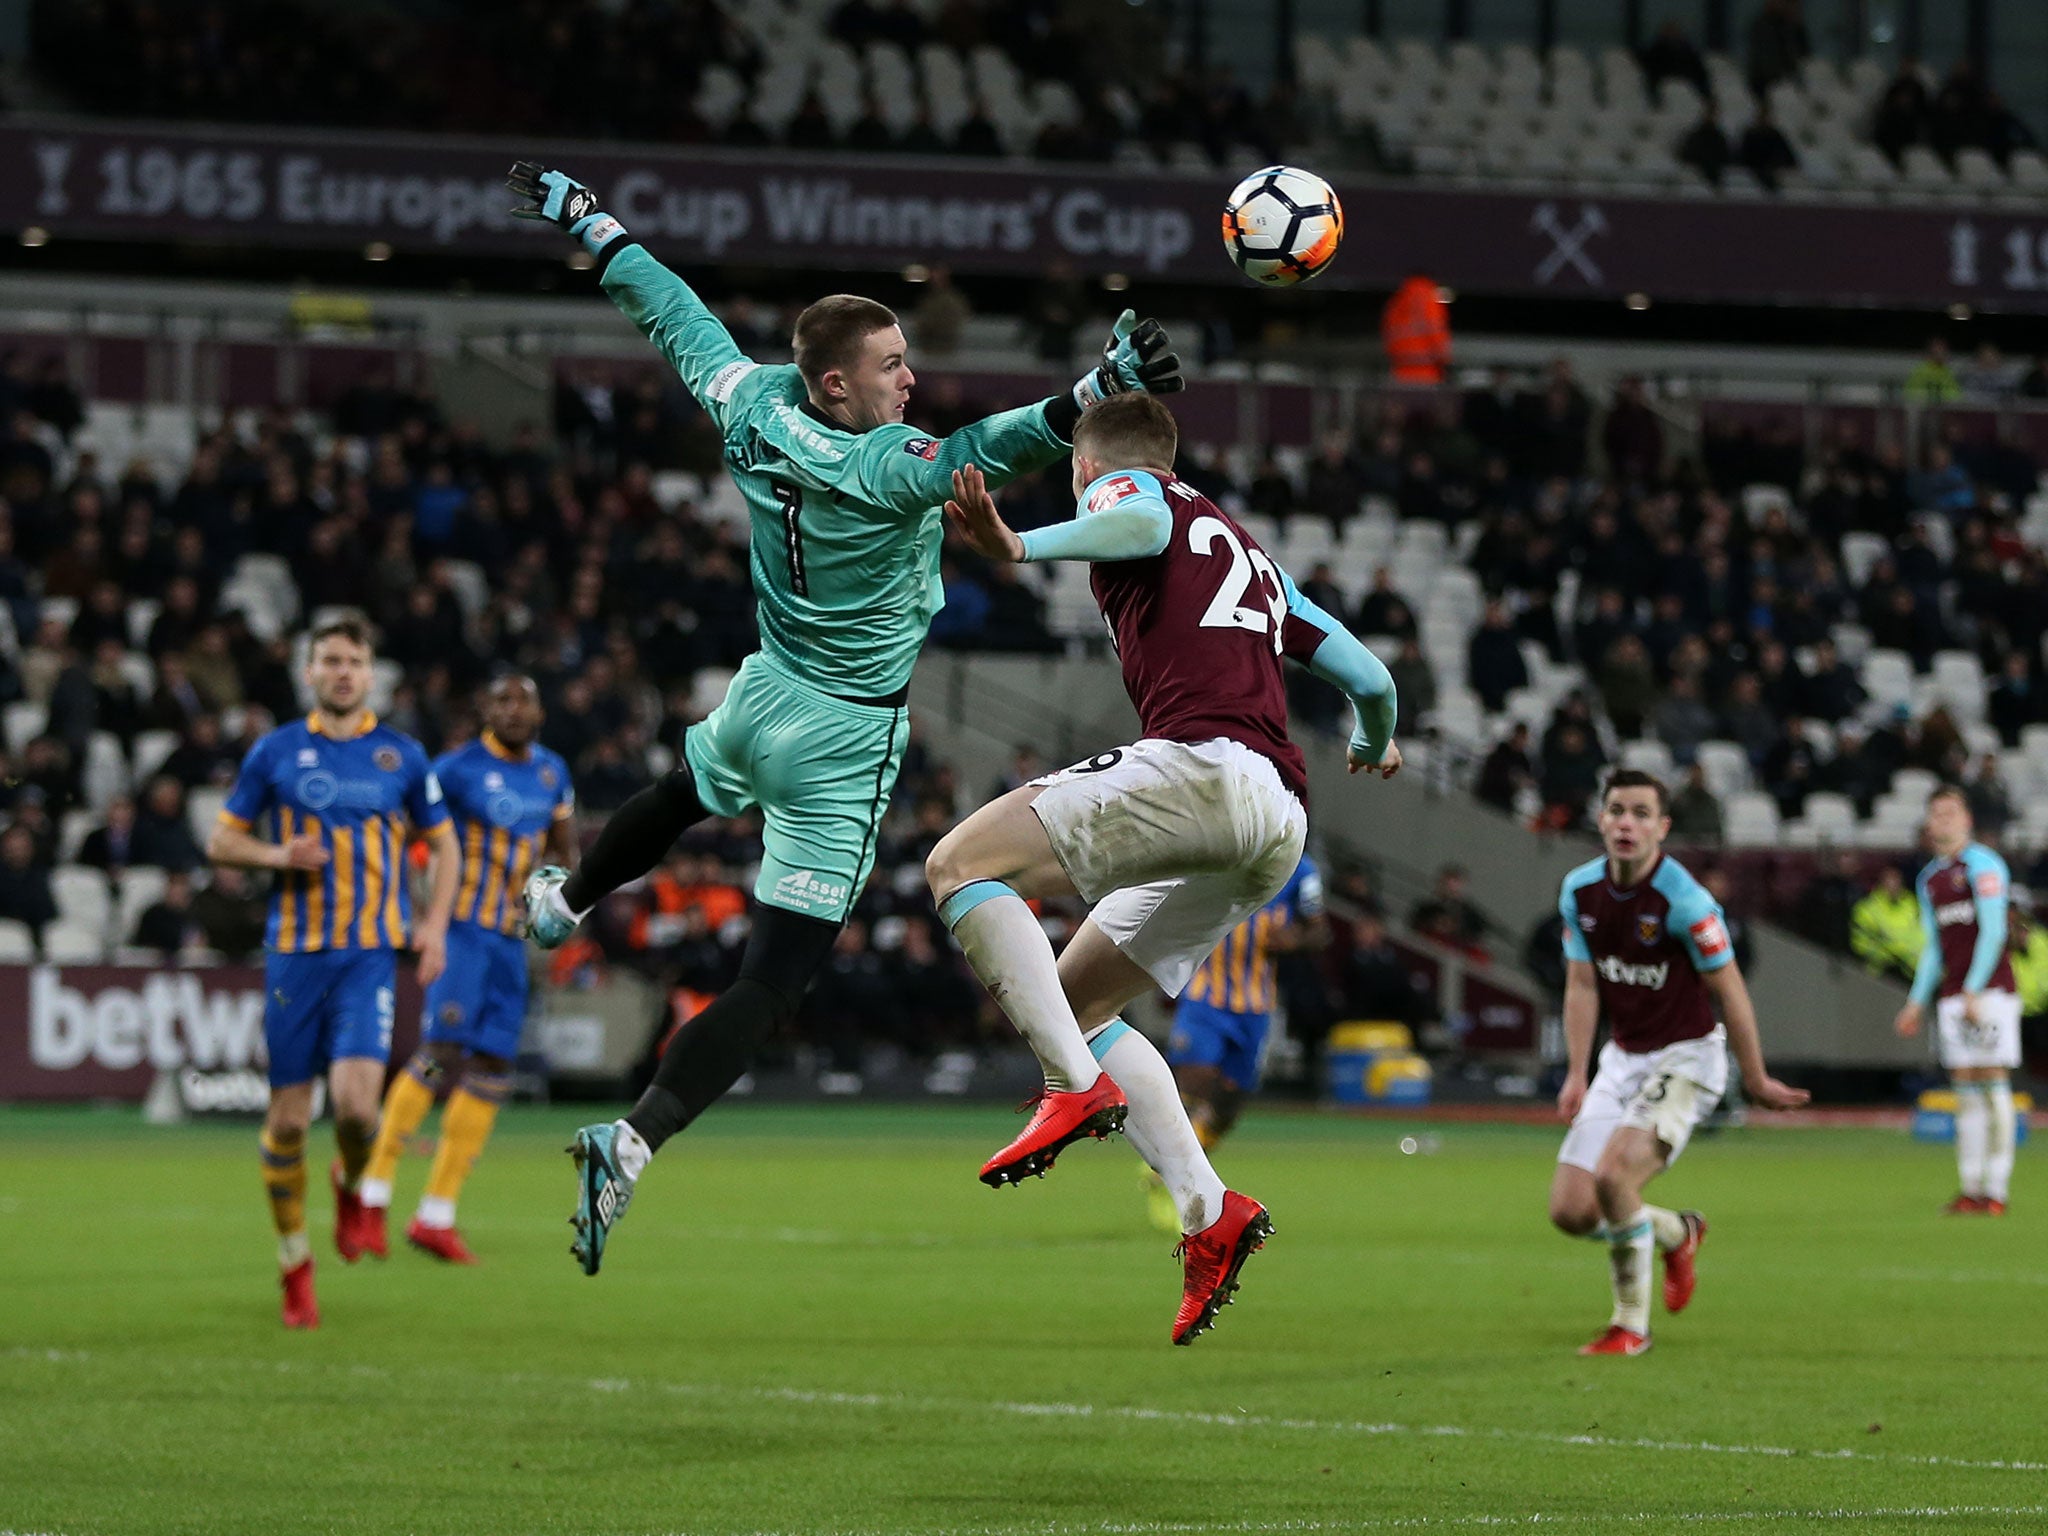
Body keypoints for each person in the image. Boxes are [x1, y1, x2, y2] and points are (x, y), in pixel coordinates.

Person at [499, 161, 1184, 1277]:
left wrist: (589, 216)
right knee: (773, 979)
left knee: (683, 792)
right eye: (891, 365)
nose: (911, 379)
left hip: (762, 688)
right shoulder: (878, 464)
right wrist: (1093, 388)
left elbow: (668, 307)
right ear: (833, 388)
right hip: (841, 736)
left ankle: (561, 900)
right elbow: (992, 450)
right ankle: (630, 1141)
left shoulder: (743, 396)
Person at [928, 392, 1399, 1343]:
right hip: (1278, 821)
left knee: (958, 865)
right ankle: (1206, 1210)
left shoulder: (1133, 490)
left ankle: (1074, 1090)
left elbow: (1135, 516)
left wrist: (1018, 546)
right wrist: (1372, 738)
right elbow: (1374, 680)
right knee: (1072, 1003)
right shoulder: (1254, 558)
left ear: (1087, 467)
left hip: (1205, 766)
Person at [207, 613, 459, 1329]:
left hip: (369, 957)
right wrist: (275, 856)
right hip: (295, 957)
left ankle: (351, 1186)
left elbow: (446, 849)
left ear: (370, 672)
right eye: (330, 661)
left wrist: (434, 926)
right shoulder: (276, 752)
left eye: (353, 660)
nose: (342, 671)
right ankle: (295, 1265)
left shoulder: (403, 757)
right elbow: (222, 840)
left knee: (356, 1109)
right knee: (287, 1122)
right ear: (309, 673)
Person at [1549, 770, 1809, 1357]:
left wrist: (1757, 1075)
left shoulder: (1685, 900)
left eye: (1641, 813)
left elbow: (1732, 991)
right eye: (1617, 809)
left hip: (1687, 1059)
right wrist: (1576, 1071)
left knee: (1616, 1178)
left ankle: (1628, 1326)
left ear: (1662, 828)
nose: (1626, 822)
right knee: (1570, 1211)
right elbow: (1584, 987)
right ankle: (1677, 1231)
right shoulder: (1579, 892)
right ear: (1601, 818)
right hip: (1623, 1061)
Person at [359, 676, 576, 1263]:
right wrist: (422, 914)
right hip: (461, 931)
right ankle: (372, 1192)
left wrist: (557, 900)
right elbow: (406, 837)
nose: (514, 709)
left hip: (509, 941)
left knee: (494, 1066)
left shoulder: (553, 772)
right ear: (484, 708)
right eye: (502, 699)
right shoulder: (455, 769)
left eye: (524, 699)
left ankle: (437, 1213)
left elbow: (564, 849)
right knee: (442, 1051)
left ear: (539, 709)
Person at [1147, 856, 1327, 1231]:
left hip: (1255, 1006)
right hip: (1203, 997)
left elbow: (1319, 930)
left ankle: (1181, 1163)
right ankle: (1169, 1177)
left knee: (1229, 1103)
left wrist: (1295, 939)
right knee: (1194, 1085)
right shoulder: (1221, 847)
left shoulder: (1302, 871)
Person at [1893, 787, 2021, 1216]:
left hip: (1990, 992)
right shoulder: (1929, 877)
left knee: (1993, 1080)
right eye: (1936, 814)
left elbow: (1993, 930)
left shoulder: (1984, 866)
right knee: (1965, 1087)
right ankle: (1970, 1187)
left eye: (1951, 813)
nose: (1943, 821)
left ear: (1967, 819)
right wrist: (1916, 1000)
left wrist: (1974, 987)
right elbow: (1934, 946)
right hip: (1952, 996)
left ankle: (1997, 1190)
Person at [1851, 863, 1921, 982]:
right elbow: (1861, 943)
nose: (1893, 884)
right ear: (1881, 882)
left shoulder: (1913, 904)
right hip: (1884, 973)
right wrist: (1890, 956)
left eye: (1896, 879)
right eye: (1889, 879)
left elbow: (1924, 936)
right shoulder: (1867, 909)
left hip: (1914, 971)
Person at [1381, 272, 1450, 386]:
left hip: (1399, 370)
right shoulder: (1430, 298)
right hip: (1427, 372)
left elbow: (1387, 334)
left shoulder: (1396, 302)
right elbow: (1435, 330)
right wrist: (1444, 359)